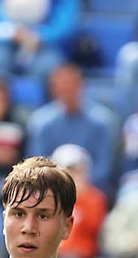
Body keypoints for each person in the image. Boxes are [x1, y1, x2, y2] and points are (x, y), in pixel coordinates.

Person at [27, 63, 118, 191]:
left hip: (91, 189)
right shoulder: (41, 122)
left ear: (81, 86)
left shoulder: (102, 121)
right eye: (62, 87)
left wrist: (80, 184)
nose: (67, 92)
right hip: (51, 189)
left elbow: (104, 166)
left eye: (71, 86)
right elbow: (37, 164)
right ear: (54, 89)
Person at [0, 0, 82, 78]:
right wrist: (10, 31)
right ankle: (0, 115)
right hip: (5, 42)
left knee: (46, 68)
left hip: (44, 44)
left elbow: (66, 23)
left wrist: (40, 36)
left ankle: (35, 116)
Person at [50, 143, 108, 258]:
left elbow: (93, 227)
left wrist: (79, 195)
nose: (73, 174)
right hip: (54, 257)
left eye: (77, 170)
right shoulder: (48, 198)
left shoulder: (94, 198)